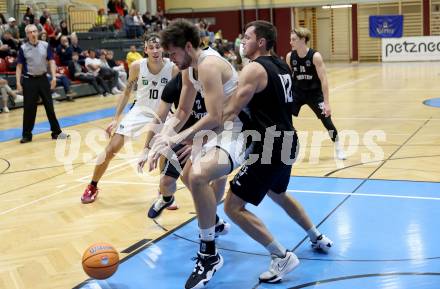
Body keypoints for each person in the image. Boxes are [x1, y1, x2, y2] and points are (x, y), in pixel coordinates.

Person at [221, 20, 334, 284]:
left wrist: (195, 134)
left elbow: (229, 111)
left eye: (247, 37)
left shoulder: (253, 69)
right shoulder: (282, 65)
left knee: (232, 206)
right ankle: (316, 236)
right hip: (288, 140)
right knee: (278, 193)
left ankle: (281, 255)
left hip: (269, 145)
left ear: (261, 42)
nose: (242, 42)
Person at [146, 19, 250, 289]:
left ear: (188, 46)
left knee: (199, 175)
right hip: (219, 130)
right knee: (191, 175)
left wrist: (180, 137)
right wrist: (162, 137)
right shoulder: (188, 69)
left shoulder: (208, 65)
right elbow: (181, 112)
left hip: (241, 130)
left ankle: (209, 254)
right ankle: (212, 225)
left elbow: (215, 117)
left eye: (173, 53)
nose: (170, 58)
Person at [80, 34, 179, 203]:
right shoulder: (136, 66)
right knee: (112, 148)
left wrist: (176, 119)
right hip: (140, 110)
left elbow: (178, 97)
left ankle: (164, 192)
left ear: (163, 48)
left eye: (158, 47)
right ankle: (92, 185)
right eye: (151, 47)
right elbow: (126, 93)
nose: (155, 50)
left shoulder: (173, 68)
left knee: (164, 150)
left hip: (163, 112)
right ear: (145, 50)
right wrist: (116, 118)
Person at [286, 27, 346, 160]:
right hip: (297, 92)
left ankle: (338, 146)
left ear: (302, 40)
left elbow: (324, 80)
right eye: (290, 39)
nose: (290, 42)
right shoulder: (290, 56)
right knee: (283, 116)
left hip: (314, 94)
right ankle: (289, 146)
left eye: (293, 39)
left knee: (327, 121)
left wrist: (327, 103)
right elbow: (289, 78)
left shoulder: (315, 56)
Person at [16, 24, 69, 143]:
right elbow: (19, 66)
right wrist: (18, 82)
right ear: (27, 34)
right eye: (30, 32)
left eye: (35, 31)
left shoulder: (45, 45)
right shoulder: (23, 48)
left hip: (43, 79)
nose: (33, 34)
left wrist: (54, 77)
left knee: (50, 107)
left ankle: (56, 133)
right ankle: (27, 135)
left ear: (37, 32)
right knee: (29, 109)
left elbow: (51, 61)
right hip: (29, 80)